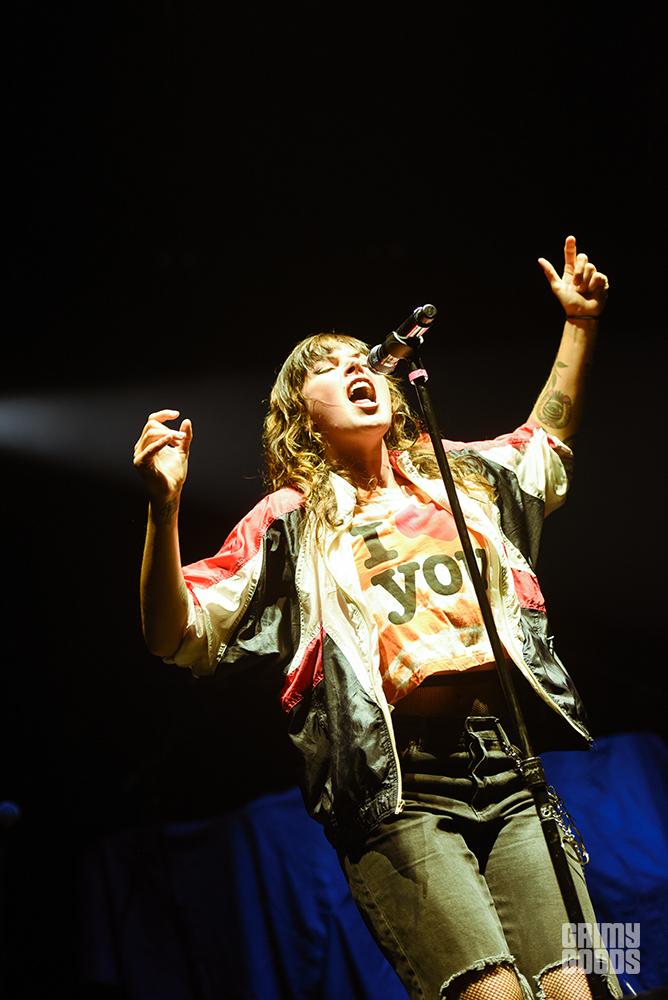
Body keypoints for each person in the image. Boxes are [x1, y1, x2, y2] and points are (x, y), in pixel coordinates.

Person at [133, 236, 620, 1000]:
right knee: (493, 994)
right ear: (302, 416)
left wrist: (580, 325)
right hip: (399, 787)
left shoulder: (462, 479)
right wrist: (163, 513)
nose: (357, 366)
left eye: (363, 358)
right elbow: (175, 633)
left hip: (511, 764)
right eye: (328, 367)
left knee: (581, 986)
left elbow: (544, 445)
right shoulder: (292, 518)